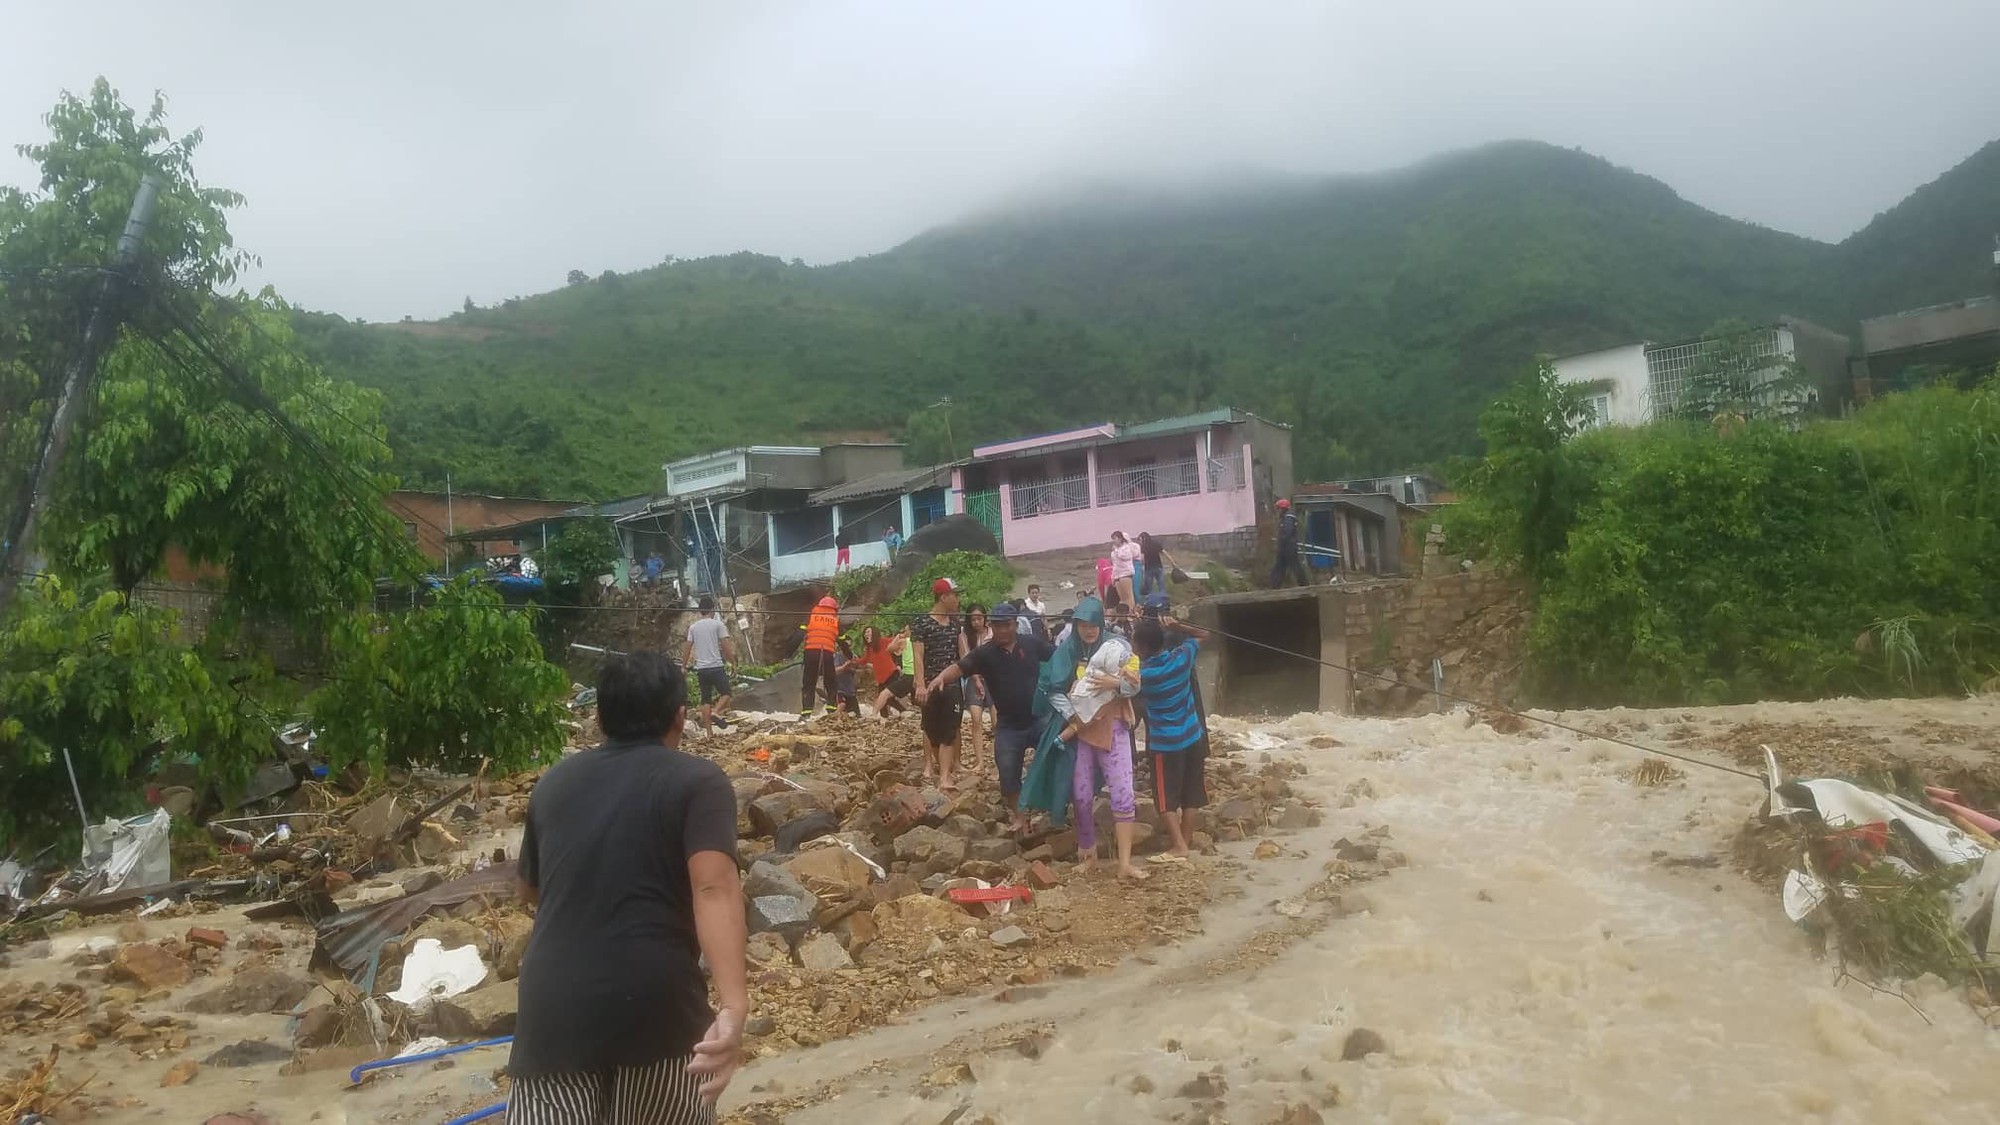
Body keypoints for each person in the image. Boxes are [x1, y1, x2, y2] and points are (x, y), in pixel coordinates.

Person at [507, 652, 748, 1122]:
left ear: (600, 719)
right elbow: (714, 888)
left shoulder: (553, 784)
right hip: (656, 1004)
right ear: (680, 717)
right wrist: (734, 1007)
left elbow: (529, 891)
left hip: (553, 1008)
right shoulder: (699, 781)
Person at [1041, 597, 1147, 881]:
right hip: (1084, 730)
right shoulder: (1069, 649)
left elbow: (1135, 685)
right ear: (1076, 626)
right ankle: (1089, 856)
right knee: (1081, 793)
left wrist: (1115, 684)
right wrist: (1074, 710)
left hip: (1114, 727)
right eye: (1083, 625)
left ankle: (1124, 864)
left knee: (1123, 793)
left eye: (1093, 625)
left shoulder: (1118, 647)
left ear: (1101, 623)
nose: (1088, 630)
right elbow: (1052, 687)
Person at [928, 602, 1054, 835]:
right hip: (1008, 724)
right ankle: (1019, 816)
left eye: (1006, 625)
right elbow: (960, 666)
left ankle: (1055, 806)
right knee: (1006, 768)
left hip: (1039, 718)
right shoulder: (985, 652)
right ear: (991, 627)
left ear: (1015, 624)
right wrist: (940, 678)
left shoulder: (1031, 643)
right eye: (997, 626)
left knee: (1058, 753)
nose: (1002, 631)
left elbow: (1058, 659)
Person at [1134, 614, 1211, 861]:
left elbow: (1124, 678)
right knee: (1191, 793)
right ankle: (1185, 839)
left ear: (1142, 647)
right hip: (1193, 735)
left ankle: (1179, 846)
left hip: (1166, 744)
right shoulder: (1181, 658)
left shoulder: (1144, 676)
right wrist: (1178, 626)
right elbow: (1203, 634)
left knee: (1165, 799)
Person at [910, 577, 965, 790]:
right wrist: (920, 684)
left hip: (952, 685)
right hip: (930, 685)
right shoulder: (922, 622)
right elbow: (917, 655)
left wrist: (976, 677)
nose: (958, 599)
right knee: (932, 730)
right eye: (955, 595)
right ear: (944, 597)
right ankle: (939, 769)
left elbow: (962, 654)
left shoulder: (955, 623)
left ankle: (945, 777)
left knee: (949, 731)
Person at [682, 596, 735, 737]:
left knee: (706, 700)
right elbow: (725, 646)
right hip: (716, 667)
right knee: (727, 693)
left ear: (700, 611)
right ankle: (716, 712)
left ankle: (709, 733)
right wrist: (733, 662)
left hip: (702, 669)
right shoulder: (718, 625)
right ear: (712, 610)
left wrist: (683, 666)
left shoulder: (693, 627)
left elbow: (687, 647)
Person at [959, 605, 994, 775]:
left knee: (998, 722)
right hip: (973, 680)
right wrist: (976, 679)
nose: (977, 622)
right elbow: (966, 660)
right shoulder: (964, 636)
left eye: (979, 618)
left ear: (985, 618)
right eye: (973, 619)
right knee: (976, 719)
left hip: (993, 680)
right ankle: (980, 761)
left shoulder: (992, 634)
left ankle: (998, 760)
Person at [799, 596, 841, 718]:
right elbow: (842, 640)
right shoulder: (835, 620)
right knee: (830, 682)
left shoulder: (811, 616)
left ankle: (806, 713)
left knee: (809, 682)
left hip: (810, 652)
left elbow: (799, 634)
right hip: (827, 653)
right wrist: (849, 655)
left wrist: (788, 652)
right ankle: (831, 708)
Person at [874, 625, 917, 719]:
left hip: (909, 674)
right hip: (919, 674)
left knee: (884, 693)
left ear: (908, 631)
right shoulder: (920, 642)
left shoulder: (904, 641)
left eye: (904, 631)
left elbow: (889, 649)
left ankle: (873, 715)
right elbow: (898, 653)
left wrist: (897, 637)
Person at [1269, 498, 1307, 589]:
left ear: (1282, 509)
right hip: (1285, 547)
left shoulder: (1288, 518)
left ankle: (1304, 585)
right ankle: (1275, 586)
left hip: (1288, 547)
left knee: (1294, 566)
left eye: (1278, 509)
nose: (1277, 511)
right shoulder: (1287, 518)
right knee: (1280, 567)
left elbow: (1288, 532)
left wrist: (1281, 540)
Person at [1136, 532, 1177, 599]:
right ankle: (1163, 599)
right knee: (1161, 584)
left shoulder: (1143, 546)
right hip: (1158, 567)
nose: (1140, 542)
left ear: (1143, 539)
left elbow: (1142, 559)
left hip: (1148, 568)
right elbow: (1165, 553)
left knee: (1149, 585)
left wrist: (1141, 567)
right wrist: (1172, 562)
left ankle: (1152, 600)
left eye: (1140, 540)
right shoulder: (1156, 544)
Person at [1108, 531, 1141, 608]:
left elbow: (1124, 557)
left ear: (1120, 538)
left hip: (1125, 573)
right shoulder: (1114, 551)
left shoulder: (1126, 547)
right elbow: (1114, 564)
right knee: (1122, 597)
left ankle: (1131, 612)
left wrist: (1116, 550)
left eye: (1115, 538)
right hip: (1117, 574)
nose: (1114, 541)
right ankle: (1125, 612)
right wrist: (1113, 577)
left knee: (1128, 595)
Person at [832, 637, 861, 714]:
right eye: (846, 645)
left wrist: (854, 669)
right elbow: (835, 672)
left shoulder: (854, 657)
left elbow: (861, 672)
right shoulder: (837, 656)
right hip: (839, 690)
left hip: (850, 691)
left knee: (857, 716)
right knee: (842, 705)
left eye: (850, 645)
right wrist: (845, 666)